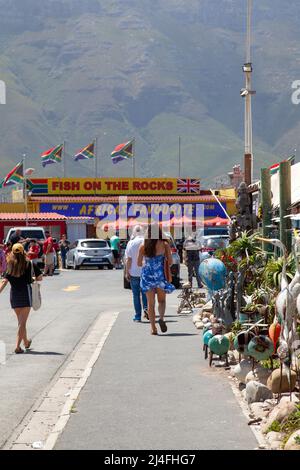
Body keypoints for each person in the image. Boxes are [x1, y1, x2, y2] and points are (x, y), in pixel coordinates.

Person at [0, 243, 43, 354]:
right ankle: (17, 347)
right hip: (26, 294)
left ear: (12, 252)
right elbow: (40, 277)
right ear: (23, 251)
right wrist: (33, 279)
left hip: (14, 295)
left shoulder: (10, 265)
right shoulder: (29, 264)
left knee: (21, 321)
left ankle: (26, 342)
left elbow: (4, 281)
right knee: (22, 323)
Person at [138, 225, 175, 335]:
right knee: (162, 301)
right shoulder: (164, 244)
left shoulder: (143, 246)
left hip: (147, 276)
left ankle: (153, 328)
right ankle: (162, 318)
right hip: (160, 276)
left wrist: (147, 263)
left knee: (150, 303)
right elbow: (171, 262)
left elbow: (139, 263)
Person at [125, 226, 148, 322]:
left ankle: (137, 316)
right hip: (145, 271)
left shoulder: (131, 243)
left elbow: (129, 259)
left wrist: (127, 272)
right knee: (145, 294)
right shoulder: (146, 242)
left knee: (136, 295)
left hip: (134, 272)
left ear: (133, 232)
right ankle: (147, 310)